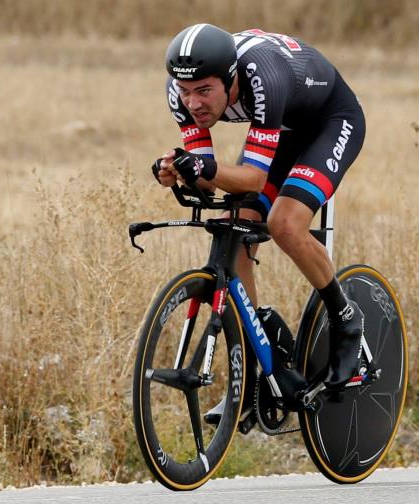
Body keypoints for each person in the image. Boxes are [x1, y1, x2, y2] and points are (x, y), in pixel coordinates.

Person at [152, 23, 366, 423]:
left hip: (329, 121)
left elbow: (251, 178)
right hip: (281, 131)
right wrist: (177, 170)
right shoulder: (179, 94)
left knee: (284, 223)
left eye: (204, 91)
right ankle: (260, 359)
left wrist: (201, 166)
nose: (194, 103)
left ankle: (346, 317)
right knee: (233, 226)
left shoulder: (260, 76)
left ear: (230, 78)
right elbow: (206, 174)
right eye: (186, 92)